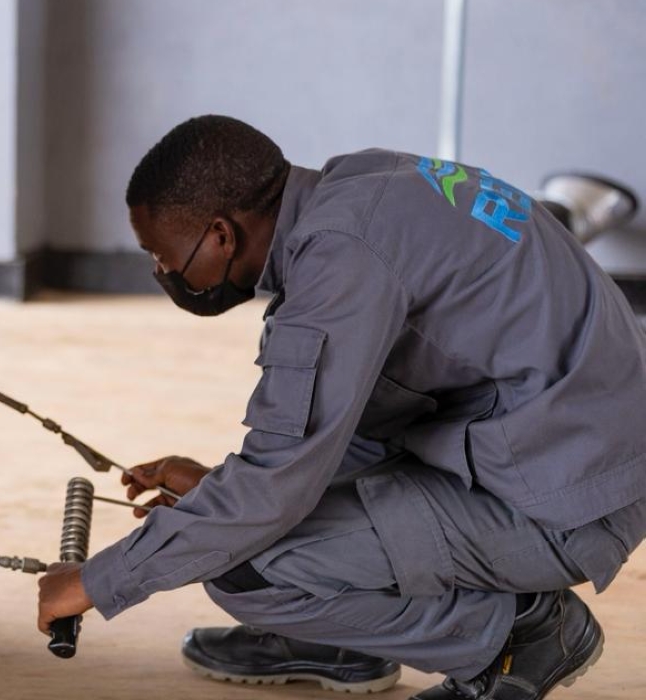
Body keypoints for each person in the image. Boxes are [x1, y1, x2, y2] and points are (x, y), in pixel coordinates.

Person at [37, 114, 646, 700]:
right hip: (570, 445)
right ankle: (344, 641)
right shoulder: (361, 184)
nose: (162, 270)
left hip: (570, 500)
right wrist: (220, 492)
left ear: (221, 234)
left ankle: (525, 633)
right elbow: (350, 424)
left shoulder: (339, 262)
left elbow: (276, 486)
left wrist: (96, 581)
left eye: (163, 255)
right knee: (249, 521)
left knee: (248, 566)